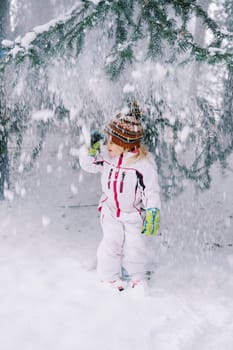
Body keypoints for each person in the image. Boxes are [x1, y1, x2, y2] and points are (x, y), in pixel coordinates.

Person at [79, 103, 161, 293]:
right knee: (111, 243)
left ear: (126, 144)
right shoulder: (108, 155)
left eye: (112, 142)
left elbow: (151, 190)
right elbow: (89, 165)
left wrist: (152, 210)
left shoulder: (143, 164)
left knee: (135, 247)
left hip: (133, 214)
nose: (107, 146)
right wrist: (88, 151)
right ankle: (108, 278)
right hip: (110, 212)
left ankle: (137, 279)